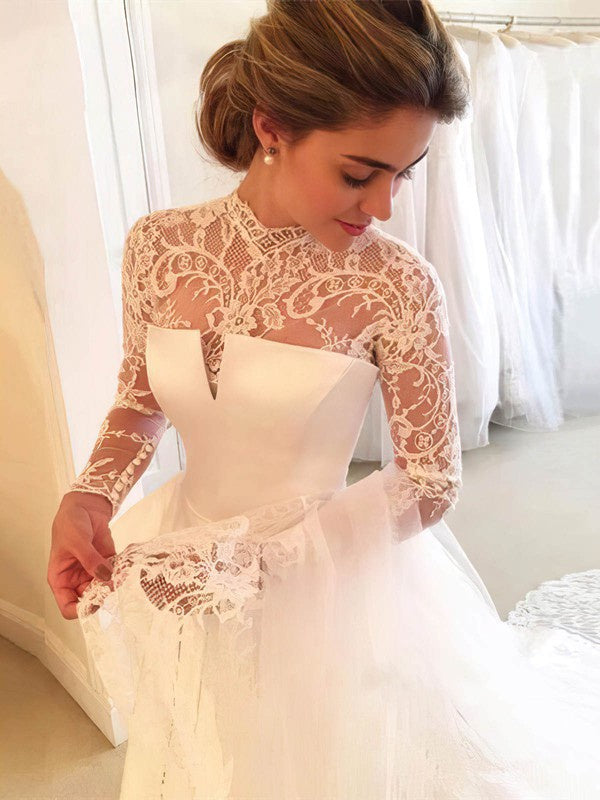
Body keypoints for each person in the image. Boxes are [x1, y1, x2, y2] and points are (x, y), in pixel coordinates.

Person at [48, 2, 600, 798]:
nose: (384, 206)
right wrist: (90, 495)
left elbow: (430, 481)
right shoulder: (159, 245)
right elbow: (140, 399)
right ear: (271, 128)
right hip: (184, 556)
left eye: (403, 173)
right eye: (358, 173)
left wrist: (241, 567)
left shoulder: (396, 283)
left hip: (330, 584)